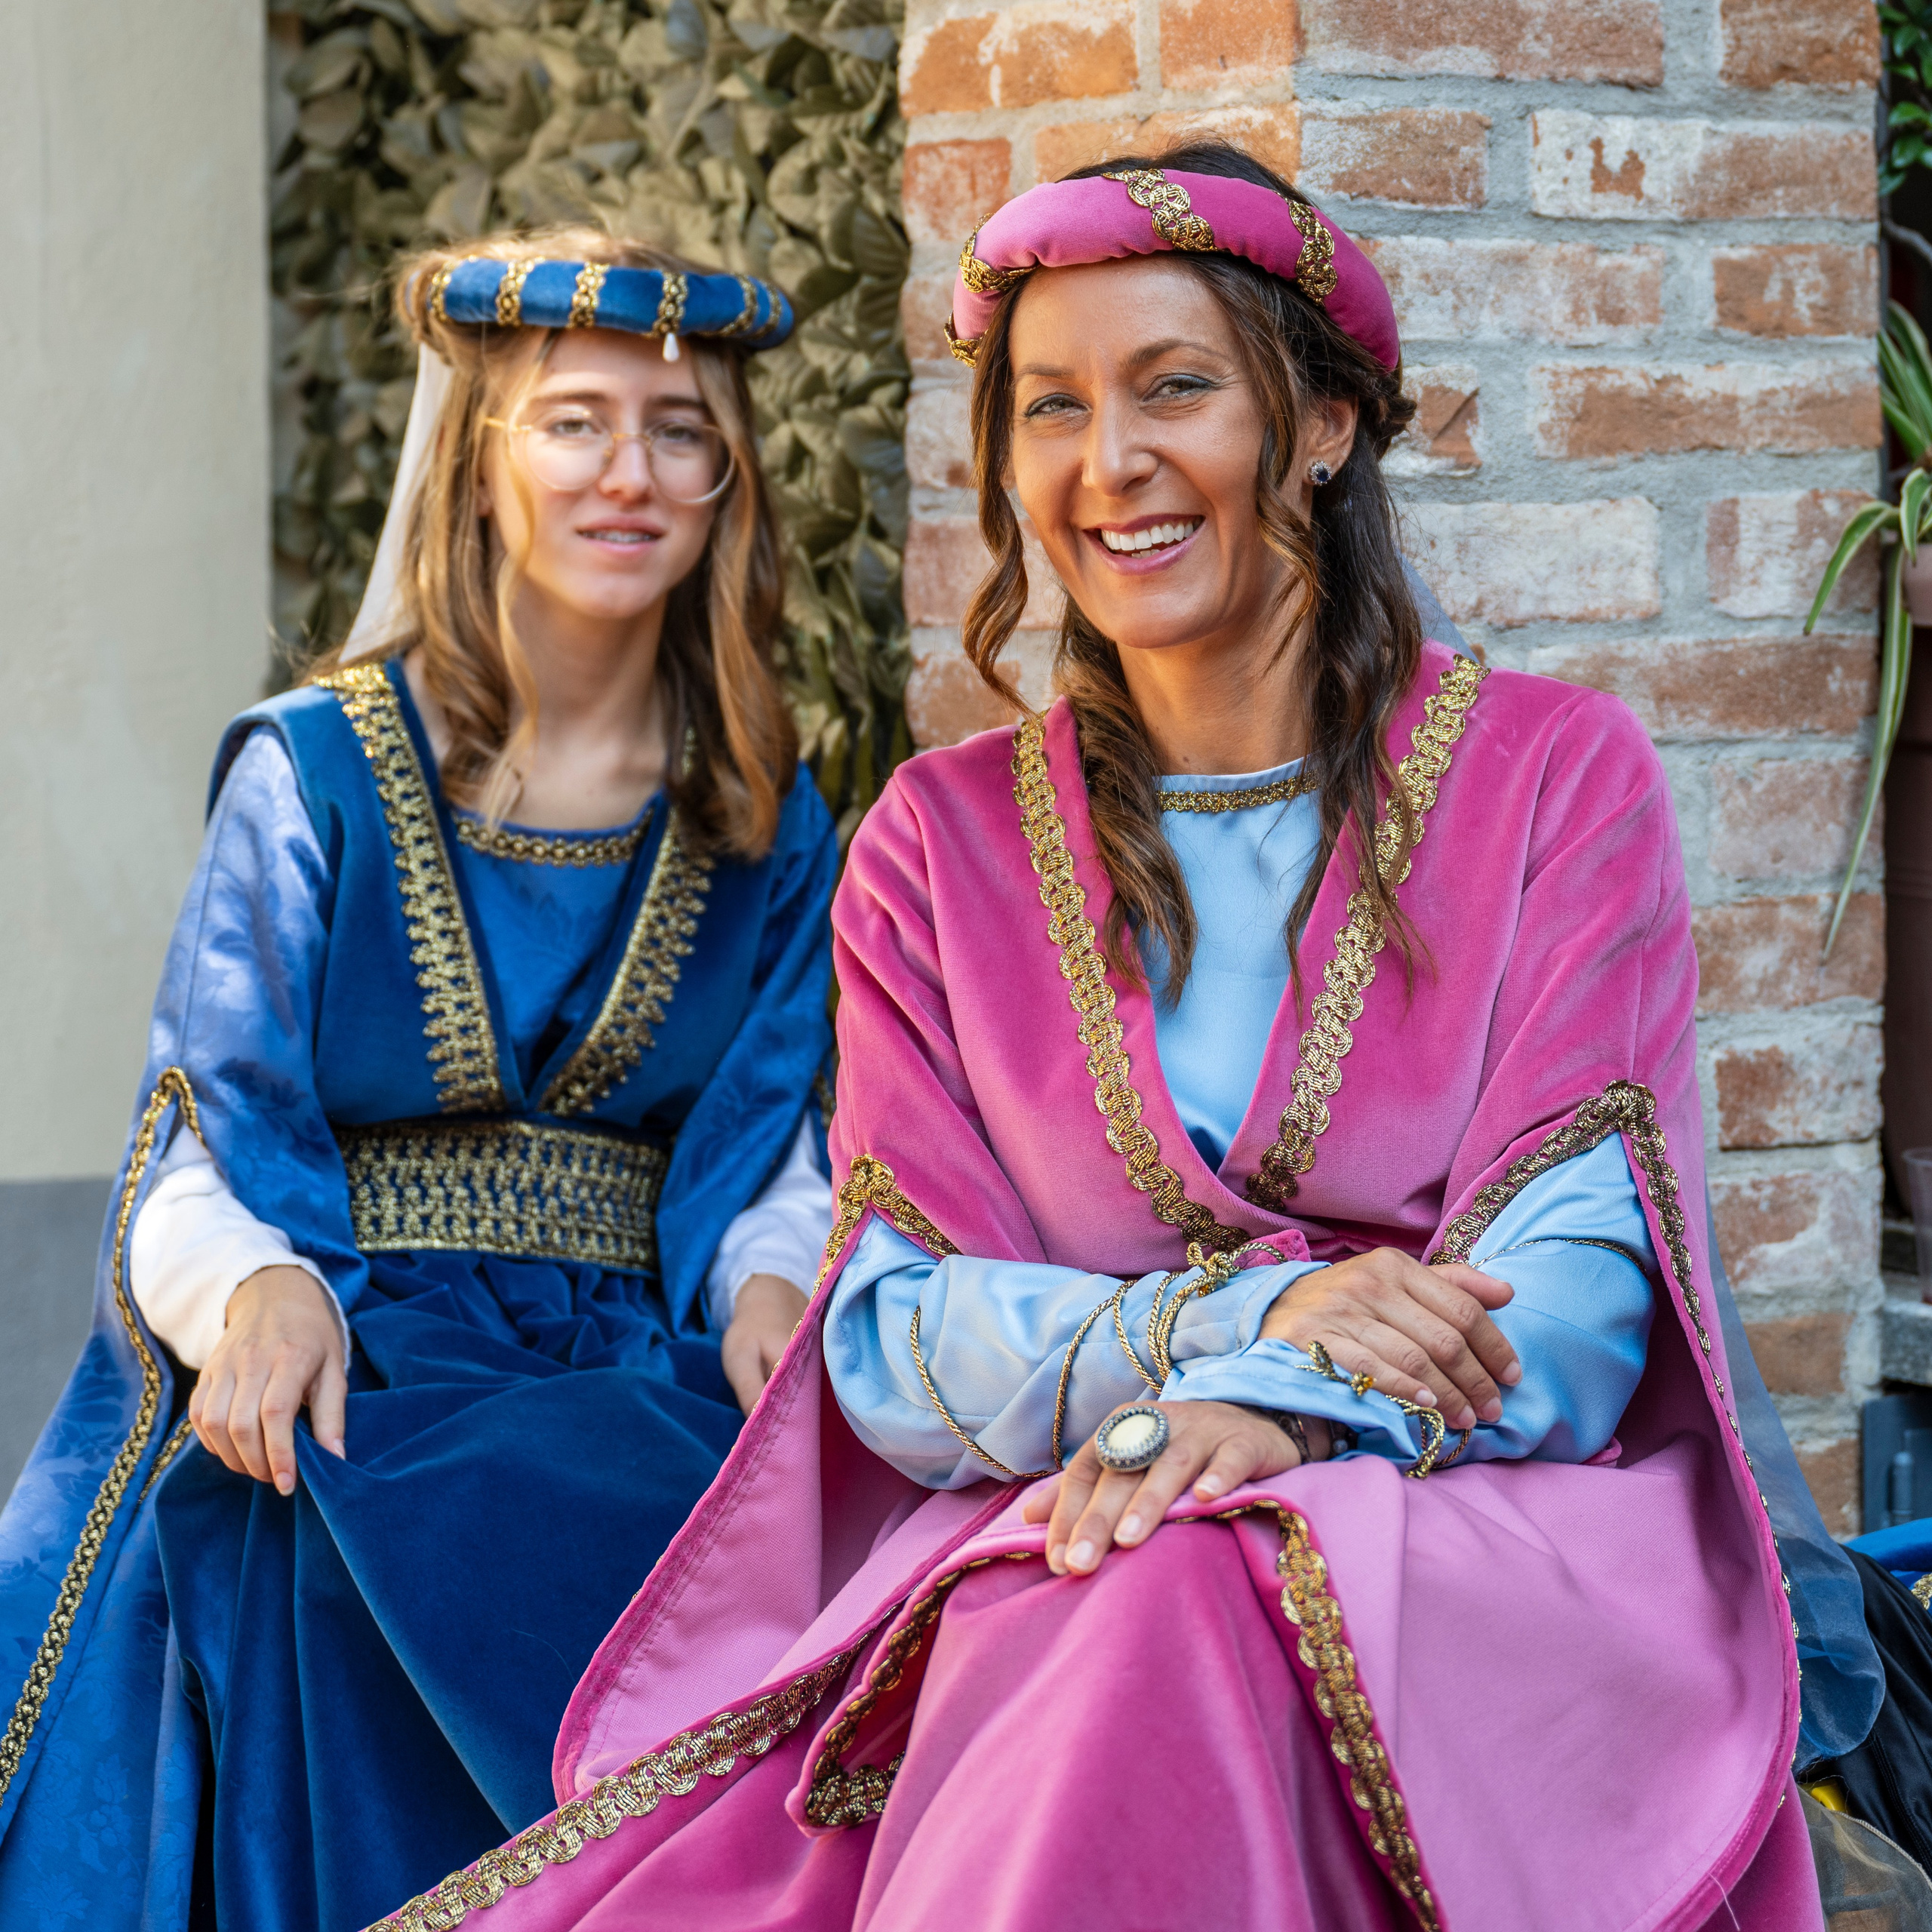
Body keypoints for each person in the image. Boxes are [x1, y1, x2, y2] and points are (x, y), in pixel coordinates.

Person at [386, 148, 1826, 1929]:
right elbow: (895, 1333)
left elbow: (1584, 1284)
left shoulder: (1551, 777)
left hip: (1474, 1525)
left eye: (1174, 389)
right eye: (1050, 408)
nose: (1108, 462)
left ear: (1315, 426)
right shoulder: (935, 841)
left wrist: (1273, 1410)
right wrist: (1235, 1325)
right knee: (1113, 1593)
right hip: (1057, 1516)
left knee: (1157, 1598)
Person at [0, 229, 837, 1931]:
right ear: (479, 460)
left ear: (729, 482)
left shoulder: (765, 802)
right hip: (358, 1330)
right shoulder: (312, 769)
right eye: (575, 423)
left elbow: (772, 1145)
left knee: (747, 1563)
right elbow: (195, 1124)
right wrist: (255, 1293)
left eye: (682, 431)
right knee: (311, 1522)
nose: (633, 473)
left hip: (636, 1356)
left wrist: (771, 1283)